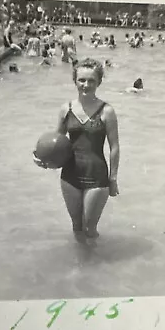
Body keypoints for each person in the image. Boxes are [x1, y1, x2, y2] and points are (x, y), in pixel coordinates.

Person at [33, 58, 120, 241]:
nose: (86, 85)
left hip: (97, 176)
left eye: (91, 81)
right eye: (81, 80)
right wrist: (44, 160)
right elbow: (56, 143)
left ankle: (97, 263)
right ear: (75, 81)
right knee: (76, 227)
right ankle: (81, 266)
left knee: (90, 228)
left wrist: (113, 179)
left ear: (99, 82)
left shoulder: (107, 111)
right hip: (69, 176)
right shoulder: (66, 109)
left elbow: (114, 146)